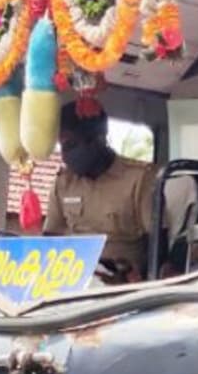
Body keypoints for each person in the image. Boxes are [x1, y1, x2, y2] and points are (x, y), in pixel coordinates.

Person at [45, 101, 157, 282]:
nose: (65, 156)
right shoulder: (64, 182)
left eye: (71, 145)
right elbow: (50, 239)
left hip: (122, 285)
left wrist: (140, 277)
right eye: (62, 147)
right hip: (73, 282)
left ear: (98, 140)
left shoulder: (139, 179)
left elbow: (158, 243)